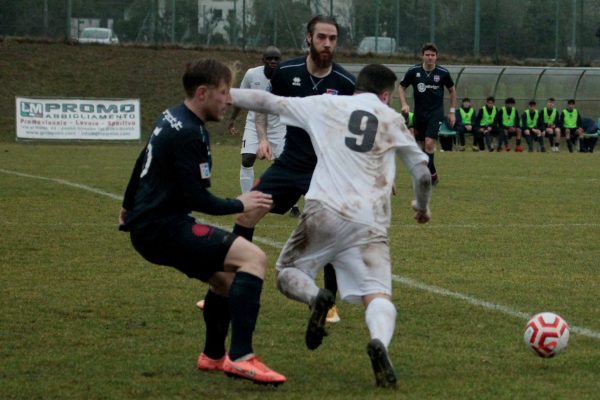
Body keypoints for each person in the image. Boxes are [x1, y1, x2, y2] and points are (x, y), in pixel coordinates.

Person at [230, 63, 432, 388]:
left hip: (325, 210)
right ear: (385, 94)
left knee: (287, 273)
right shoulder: (392, 119)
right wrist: (421, 208)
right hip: (371, 222)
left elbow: (269, 102)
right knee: (377, 294)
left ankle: (315, 297)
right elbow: (423, 174)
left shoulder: (327, 103)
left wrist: (226, 94)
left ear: (358, 87)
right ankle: (379, 341)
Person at [118, 59, 286, 386]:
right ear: (201, 93)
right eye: (223, 93)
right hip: (162, 228)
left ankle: (212, 356)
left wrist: (127, 205)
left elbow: (142, 160)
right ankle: (241, 357)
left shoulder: (172, 116)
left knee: (224, 280)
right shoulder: (191, 134)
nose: (228, 100)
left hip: (151, 225)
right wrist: (242, 203)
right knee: (253, 259)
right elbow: (198, 200)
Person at [228, 15, 356, 325]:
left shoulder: (346, 82)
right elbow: (263, 105)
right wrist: (261, 139)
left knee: (331, 231)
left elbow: (355, 132)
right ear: (309, 38)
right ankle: (227, 288)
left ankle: (328, 303)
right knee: (246, 212)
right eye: (322, 37)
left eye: (333, 38)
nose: (327, 44)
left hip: (327, 169)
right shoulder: (286, 73)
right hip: (291, 163)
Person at [227, 46, 286, 194]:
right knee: (247, 159)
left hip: (278, 126)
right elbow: (241, 97)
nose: (273, 61)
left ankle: (293, 204)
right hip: (254, 124)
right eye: (270, 58)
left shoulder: (286, 76)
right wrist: (232, 119)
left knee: (286, 164)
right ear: (263, 60)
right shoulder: (252, 74)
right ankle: (246, 199)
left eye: (276, 59)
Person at [399, 42, 457, 185]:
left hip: (436, 113)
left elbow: (452, 91)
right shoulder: (414, 71)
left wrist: (452, 112)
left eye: (433, 55)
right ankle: (433, 175)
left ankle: (424, 177)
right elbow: (401, 87)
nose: (430, 57)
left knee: (430, 144)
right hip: (419, 113)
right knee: (422, 147)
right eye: (427, 55)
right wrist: (404, 104)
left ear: (436, 57)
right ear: (422, 56)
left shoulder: (443, 73)